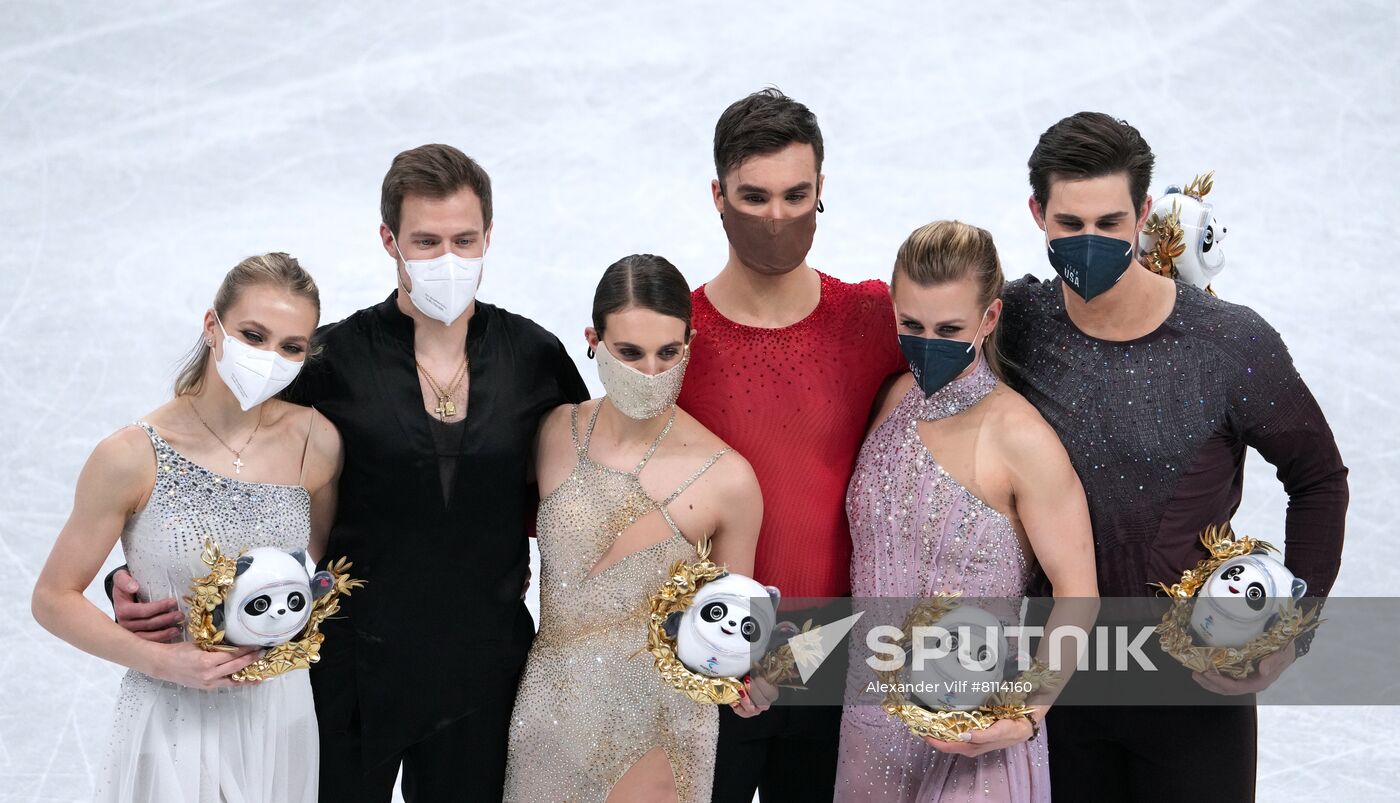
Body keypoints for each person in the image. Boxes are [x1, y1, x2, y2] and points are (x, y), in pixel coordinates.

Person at [111, 144, 590, 800]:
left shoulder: (536, 356)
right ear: (388, 239)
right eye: (425, 240)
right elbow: (233, 469)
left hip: (485, 672)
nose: (447, 259)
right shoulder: (330, 360)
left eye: (464, 239)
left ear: (489, 237)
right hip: (347, 674)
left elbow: (594, 491)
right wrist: (137, 572)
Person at [999, 112, 1349, 802]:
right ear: (1037, 213)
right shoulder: (1016, 323)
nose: (1088, 241)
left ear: (1145, 215)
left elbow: (1318, 479)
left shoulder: (1229, 345)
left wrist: (1290, 630)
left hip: (1195, 690)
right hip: (1058, 686)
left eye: (1109, 222)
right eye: (1069, 223)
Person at [31, 253, 342, 802]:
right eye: (253, 334)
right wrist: (164, 661)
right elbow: (53, 598)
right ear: (211, 327)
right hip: (173, 718)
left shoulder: (316, 442)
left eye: (291, 347)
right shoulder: (130, 455)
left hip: (281, 715)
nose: (270, 357)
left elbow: (319, 570)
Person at [674, 87, 909, 802]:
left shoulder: (872, 317)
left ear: (820, 190)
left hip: (831, 661)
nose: (777, 217)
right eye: (754, 196)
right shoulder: (675, 339)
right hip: (708, 663)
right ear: (717, 194)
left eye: (795, 195)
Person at [834, 221, 1099, 802]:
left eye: (949, 328)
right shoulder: (893, 398)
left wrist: (1027, 713)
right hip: (868, 732)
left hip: (975, 735)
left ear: (990, 318)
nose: (928, 342)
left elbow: (1079, 591)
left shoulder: (1021, 437)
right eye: (912, 325)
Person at [504, 253, 764, 803]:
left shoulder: (728, 478)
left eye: (669, 353)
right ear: (592, 340)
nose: (651, 372)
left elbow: (744, 630)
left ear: (689, 345)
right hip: (547, 709)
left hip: (662, 722)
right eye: (630, 352)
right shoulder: (553, 432)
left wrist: (756, 678)